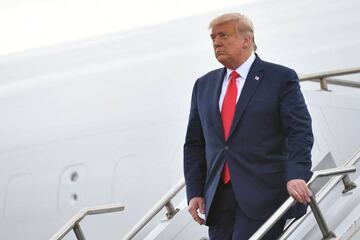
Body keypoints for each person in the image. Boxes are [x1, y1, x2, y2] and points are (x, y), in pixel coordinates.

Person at [183, 13, 314, 240]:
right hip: (218, 198)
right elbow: (195, 143)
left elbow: (300, 132)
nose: (216, 42)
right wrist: (194, 191)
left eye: (224, 35)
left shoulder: (280, 78)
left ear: (247, 39)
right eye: (213, 37)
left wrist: (297, 175)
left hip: (264, 193)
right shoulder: (203, 85)